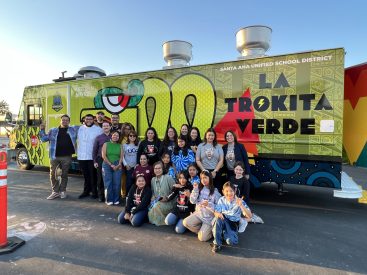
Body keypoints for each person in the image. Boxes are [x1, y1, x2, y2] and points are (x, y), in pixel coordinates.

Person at [39, 114, 79, 200]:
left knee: (64, 174)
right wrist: (42, 130)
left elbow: (86, 125)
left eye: (66, 120)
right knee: (53, 174)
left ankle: (63, 191)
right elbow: (44, 139)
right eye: (63, 120)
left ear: (69, 122)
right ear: (60, 121)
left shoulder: (73, 129)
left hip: (67, 156)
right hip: (54, 156)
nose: (64, 121)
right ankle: (55, 192)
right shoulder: (53, 130)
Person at [211, 182, 252, 253]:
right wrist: (218, 214)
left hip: (233, 223)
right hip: (223, 220)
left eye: (231, 191)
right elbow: (216, 212)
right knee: (218, 219)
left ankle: (223, 233)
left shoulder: (239, 201)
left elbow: (249, 215)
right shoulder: (221, 199)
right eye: (226, 191)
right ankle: (217, 243)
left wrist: (241, 205)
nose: (229, 193)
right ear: (223, 192)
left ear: (235, 191)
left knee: (231, 241)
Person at [183, 170, 221, 242]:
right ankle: (202, 230)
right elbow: (192, 201)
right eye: (201, 178)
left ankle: (209, 232)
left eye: (205, 178)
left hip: (209, 219)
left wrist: (209, 204)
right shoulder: (199, 189)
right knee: (185, 222)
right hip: (198, 215)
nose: (203, 180)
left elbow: (219, 208)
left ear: (210, 178)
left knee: (202, 238)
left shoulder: (215, 192)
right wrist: (195, 190)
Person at [77, 114, 103, 199]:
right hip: (81, 156)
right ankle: (86, 191)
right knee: (85, 175)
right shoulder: (80, 128)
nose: (88, 120)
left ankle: (94, 192)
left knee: (93, 176)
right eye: (87, 119)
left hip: (92, 157)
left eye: (90, 119)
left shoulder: (98, 130)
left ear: (93, 120)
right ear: (84, 120)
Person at [148, 161, 176, 226]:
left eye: (159, 168)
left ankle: (161, 221)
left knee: (156, 206)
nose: (157, 170)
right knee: (151, 206)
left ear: (162, 169)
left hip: (169, 202)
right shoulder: (153, 180)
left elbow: (175, 191)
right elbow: (153, 191)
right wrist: (152, 197)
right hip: (157, 201)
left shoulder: (168, 178)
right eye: (156, 168)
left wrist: (167, 198)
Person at [102, 131, 123, 205]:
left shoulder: (120, 145)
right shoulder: (106, 144)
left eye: (117, 136)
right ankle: (109, 199)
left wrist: (119, 164)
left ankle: (116, 199)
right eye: (114, 135)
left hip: (117, 164)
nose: (115, 137)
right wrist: (111, 164)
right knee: (108, 182)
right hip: (107, 164)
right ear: (111, 135)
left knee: (117, 183)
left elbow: (121, 157)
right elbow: (104, 156)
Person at [92, 121, 111, 202]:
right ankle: (101, 196)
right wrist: (95, 161)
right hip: (100, 160)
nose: (106, 127)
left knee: (110, 178)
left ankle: (109, 195)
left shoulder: (114, 136)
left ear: (110, 127)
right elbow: (94, 151)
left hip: (111, 159)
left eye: (107, 126)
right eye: (104, 126)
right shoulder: (98, 137)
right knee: (100, 178)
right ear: (102, 128)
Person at [123, 129, 139, 194]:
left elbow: (140, 155)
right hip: (129, 167)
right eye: (130, 136)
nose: (132, 137)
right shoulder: (125, 145)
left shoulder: (138, 145)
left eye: (134, 136)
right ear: (128, 136)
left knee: (136, 182)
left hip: (136, 167)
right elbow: (122, 156)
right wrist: (126, 164)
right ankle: (127, 196)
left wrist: (138, 165)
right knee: (129, 182)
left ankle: (135, 196)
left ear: (136, 137)